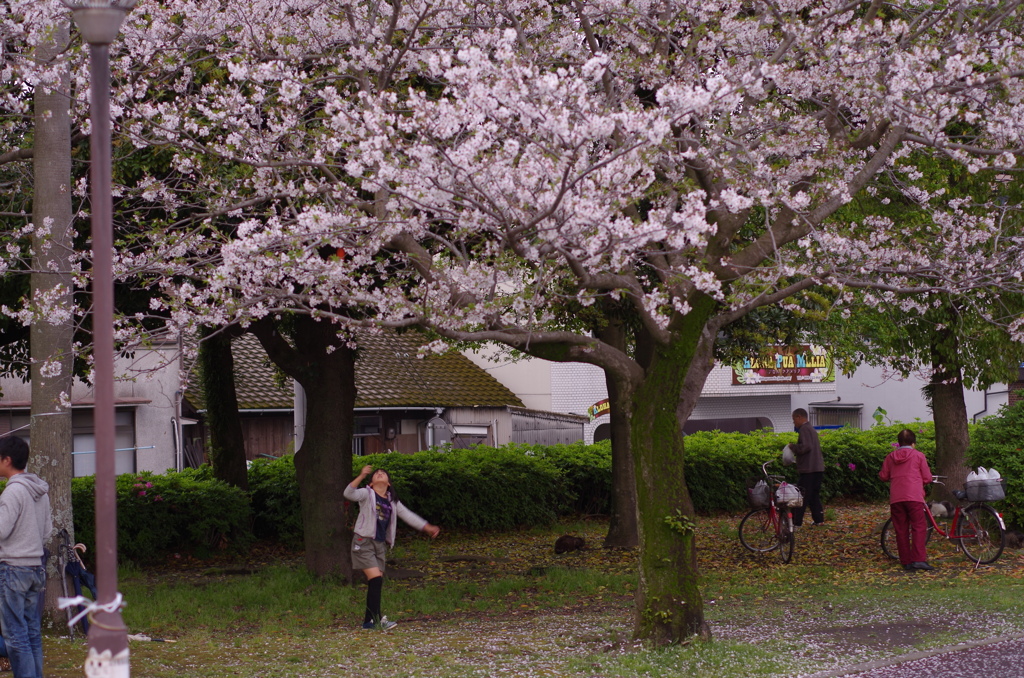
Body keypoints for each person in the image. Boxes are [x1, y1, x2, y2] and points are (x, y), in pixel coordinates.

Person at [344, 465, 439, 630]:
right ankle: (376, 619)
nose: (380, 473)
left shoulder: (391, 501)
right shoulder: (367, 494)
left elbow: (408, 515)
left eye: (383, 473)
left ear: (388, 483)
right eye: (376, 474)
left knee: (377, 581)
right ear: (372, 483)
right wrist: (360, 476)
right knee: (376, 579)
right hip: (363, 541)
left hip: (379, 544)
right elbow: (348, 493)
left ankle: (369, 621)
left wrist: (426, 527)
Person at [0, 436, 52, 678]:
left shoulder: (12, 492)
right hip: (35, 568)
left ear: (7, 460)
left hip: (12, 568)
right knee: (31, 632)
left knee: (15, 634)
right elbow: (47, 532)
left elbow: (2, 530)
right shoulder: (40, 491)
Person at [879, 429, 934, 571]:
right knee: (918, 527)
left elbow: (883, 476)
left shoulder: (890, 457)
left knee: (901, 529)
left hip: (896, 497)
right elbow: (927, 478)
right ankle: (919, 559)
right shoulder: (918, 456)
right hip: (914, 496)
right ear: (913, 442)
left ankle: (906, 561)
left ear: (899, 442)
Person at [789, 408, 825, 527]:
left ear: (799, 417)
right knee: (813, 495)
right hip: (817, 468)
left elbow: (805, 447)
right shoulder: (811, 429)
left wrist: (793, 447)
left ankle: (796, 522)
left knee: (801, 496)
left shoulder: (804, 429)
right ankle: (819, 519)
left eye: (794, 419)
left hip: (808, 469)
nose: (794, 422)